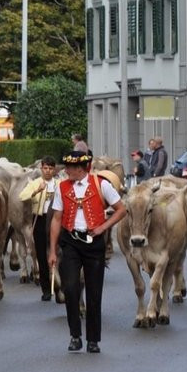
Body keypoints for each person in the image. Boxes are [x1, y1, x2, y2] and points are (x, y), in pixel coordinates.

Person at [47, 150, 127, 354]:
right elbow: (57, 218)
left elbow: (121, 209)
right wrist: (53, 250)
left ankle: (93, 339)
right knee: (71, 289)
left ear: (81, 169)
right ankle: (75, 335)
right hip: (71, 242)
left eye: (70, 168)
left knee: (93, 293)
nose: (66, 171)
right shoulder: (62, 187)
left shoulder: (102, 185)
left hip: (94, 243)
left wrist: (103, 227)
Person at [19, 156, 58, 302]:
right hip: (40, 220)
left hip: (55, 219)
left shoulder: (59, 184)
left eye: (50, 168)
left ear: (54, 170)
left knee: (57, 252)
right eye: (45, 168)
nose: (48, 171)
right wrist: (36, 191)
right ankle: (46, 289)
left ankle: (58, 283)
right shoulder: (35, 183)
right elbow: (22, 196)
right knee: (41, 255)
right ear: (41, 168)